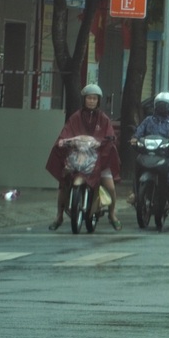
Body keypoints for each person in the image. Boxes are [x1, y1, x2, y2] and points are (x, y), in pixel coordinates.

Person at [45, 83, 123, 230]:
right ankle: (59, 216)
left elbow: (110, 135)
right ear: (84, 99)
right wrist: (63, 141)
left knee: (111, 187)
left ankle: (112, 214)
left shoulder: (104, 118)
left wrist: (107, 140)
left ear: (98, 100)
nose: (92, 101)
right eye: (89, 98)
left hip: (100, 160)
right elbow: (66, 132)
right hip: (78, 159)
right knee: (63, 186)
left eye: (94, 98)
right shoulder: (75, 117)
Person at [131, 91, 169, 227]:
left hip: (168, 158)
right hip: (149, 155)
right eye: (160, 104)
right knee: (138, 165)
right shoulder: (148, 120)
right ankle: (135, 193)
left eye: (166, 105)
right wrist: (135, 139)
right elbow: (139, 131)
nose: (163, 107)